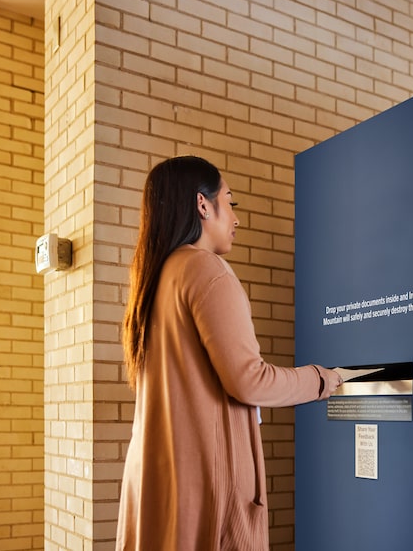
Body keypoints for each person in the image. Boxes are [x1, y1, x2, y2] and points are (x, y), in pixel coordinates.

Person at [116, 156, 343, 550]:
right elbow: (248, 380)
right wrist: (326, 378)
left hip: (158, 483)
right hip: (207, 490)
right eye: (230, 202)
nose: (236, 219)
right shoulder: (206, 270)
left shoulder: (154, 279)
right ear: (203, 205)